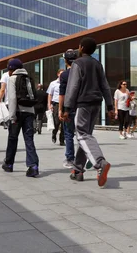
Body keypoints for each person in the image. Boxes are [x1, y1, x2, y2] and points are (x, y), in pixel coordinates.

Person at [63, 37, 114, 188]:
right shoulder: (98, 64)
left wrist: (67, 108)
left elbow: (72, 87)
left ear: (81, 48)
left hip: (83, 104)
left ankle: (100, 163)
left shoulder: (77, 63)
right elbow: (105, 86)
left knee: (82, 135)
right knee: (85, 136)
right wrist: (110, 106)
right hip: (96, 104)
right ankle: (78, 170)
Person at [1, 58, 40, 177]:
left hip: (17, 112)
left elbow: (12, 98)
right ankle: (33, 166)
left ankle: (9, 164)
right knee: (29, 139)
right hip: (30, 112)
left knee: (13, 138)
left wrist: (12, 116)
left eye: (9, 70)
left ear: (12, 69)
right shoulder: (29, 78)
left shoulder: (12, 79)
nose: (8, 72)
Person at [58, 49, 78, 168]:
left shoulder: (64, 75)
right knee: (83, 134)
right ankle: (85, 157)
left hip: (69, 108)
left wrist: (60, 109)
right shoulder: (82, 73)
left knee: (69, 134)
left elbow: (62, 94)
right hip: (82, 106)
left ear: (65, 61)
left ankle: (70, 159)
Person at [47, 70, 64, 146]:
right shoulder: (53, 83)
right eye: (60, 74)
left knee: (64, 123)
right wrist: (49, 104)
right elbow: (50, 94)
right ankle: (54, 134)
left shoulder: (66, 83)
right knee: (56, 122)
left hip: (64, 104)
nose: (62, 75)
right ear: (58, 74)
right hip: (56, 103)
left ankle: (62, 140)